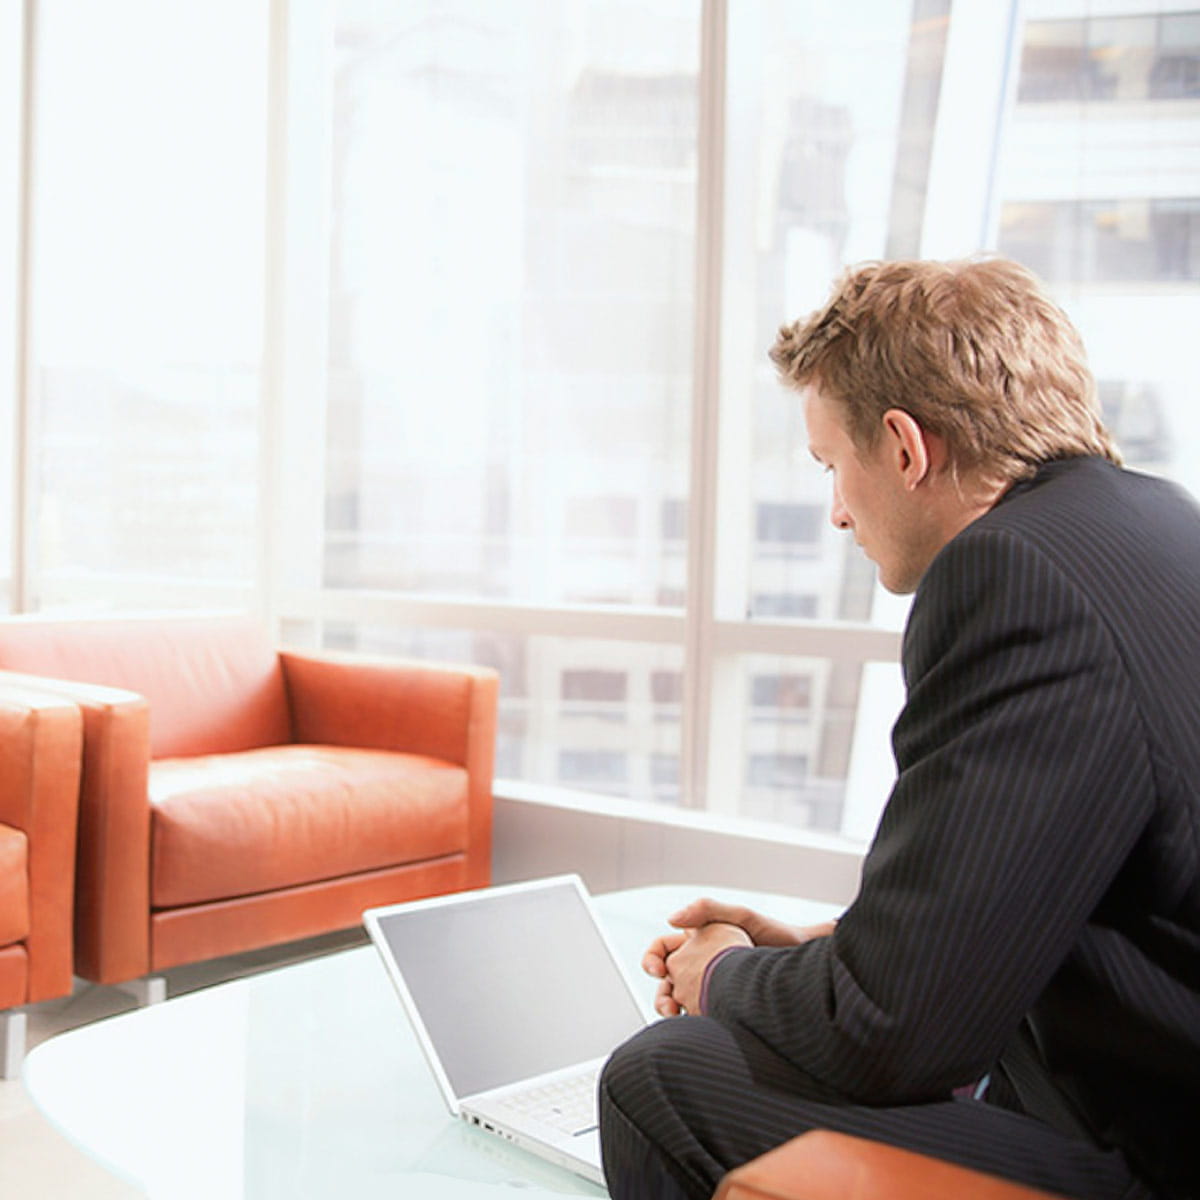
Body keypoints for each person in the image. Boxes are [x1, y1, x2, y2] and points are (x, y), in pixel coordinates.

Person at [597, 256, 1200, 1200]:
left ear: (905, 448)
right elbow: (1067, 892)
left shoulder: (1012, 576)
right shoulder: (1158, 524)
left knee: (663, 1077)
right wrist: (829, 956)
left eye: (832, 468)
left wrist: (723, 977)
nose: (838, 513)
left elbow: (896, 1035)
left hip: (1161, 1158)